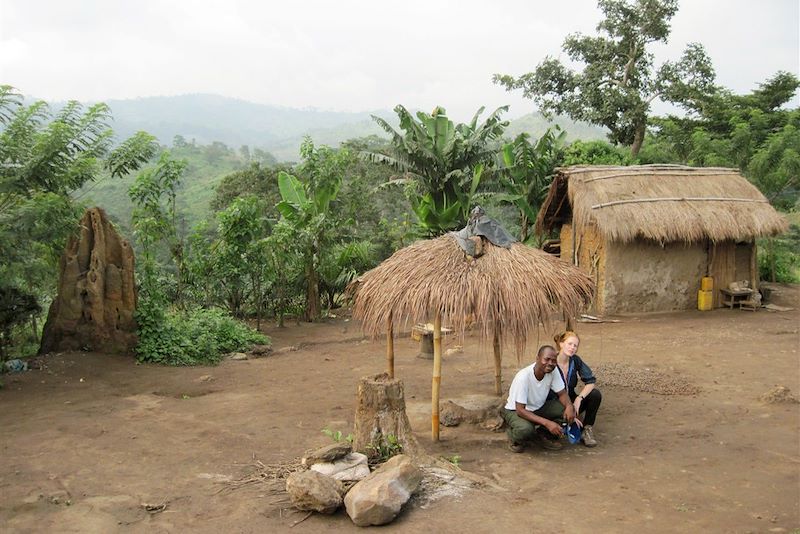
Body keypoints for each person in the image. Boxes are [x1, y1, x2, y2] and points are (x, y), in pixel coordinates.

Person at [502, 345, 576, 452]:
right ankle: (514, 437)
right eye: (546, 359)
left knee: (565, 411)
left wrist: (569, 406)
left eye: (554, 360)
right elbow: (520, 410)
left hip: (538, 407)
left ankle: (542, 435)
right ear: (537, 358)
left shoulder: (553, 371)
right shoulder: (523, 377)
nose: (550, 363)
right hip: (516, 411)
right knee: (526, 429)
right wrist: (547, 423)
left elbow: (562, 393)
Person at [550, 330, 602, 447]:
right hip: (555, 402)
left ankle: (586, 429)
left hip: (572, 399)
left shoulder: (575, 360)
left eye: (575, 346)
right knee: (560, 425)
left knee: (595, 395)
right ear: (561, 344)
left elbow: (590, 381)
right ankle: (555, 427)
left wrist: (579, 398)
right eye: (569, 344)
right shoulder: (551, 361)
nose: (572, 348)